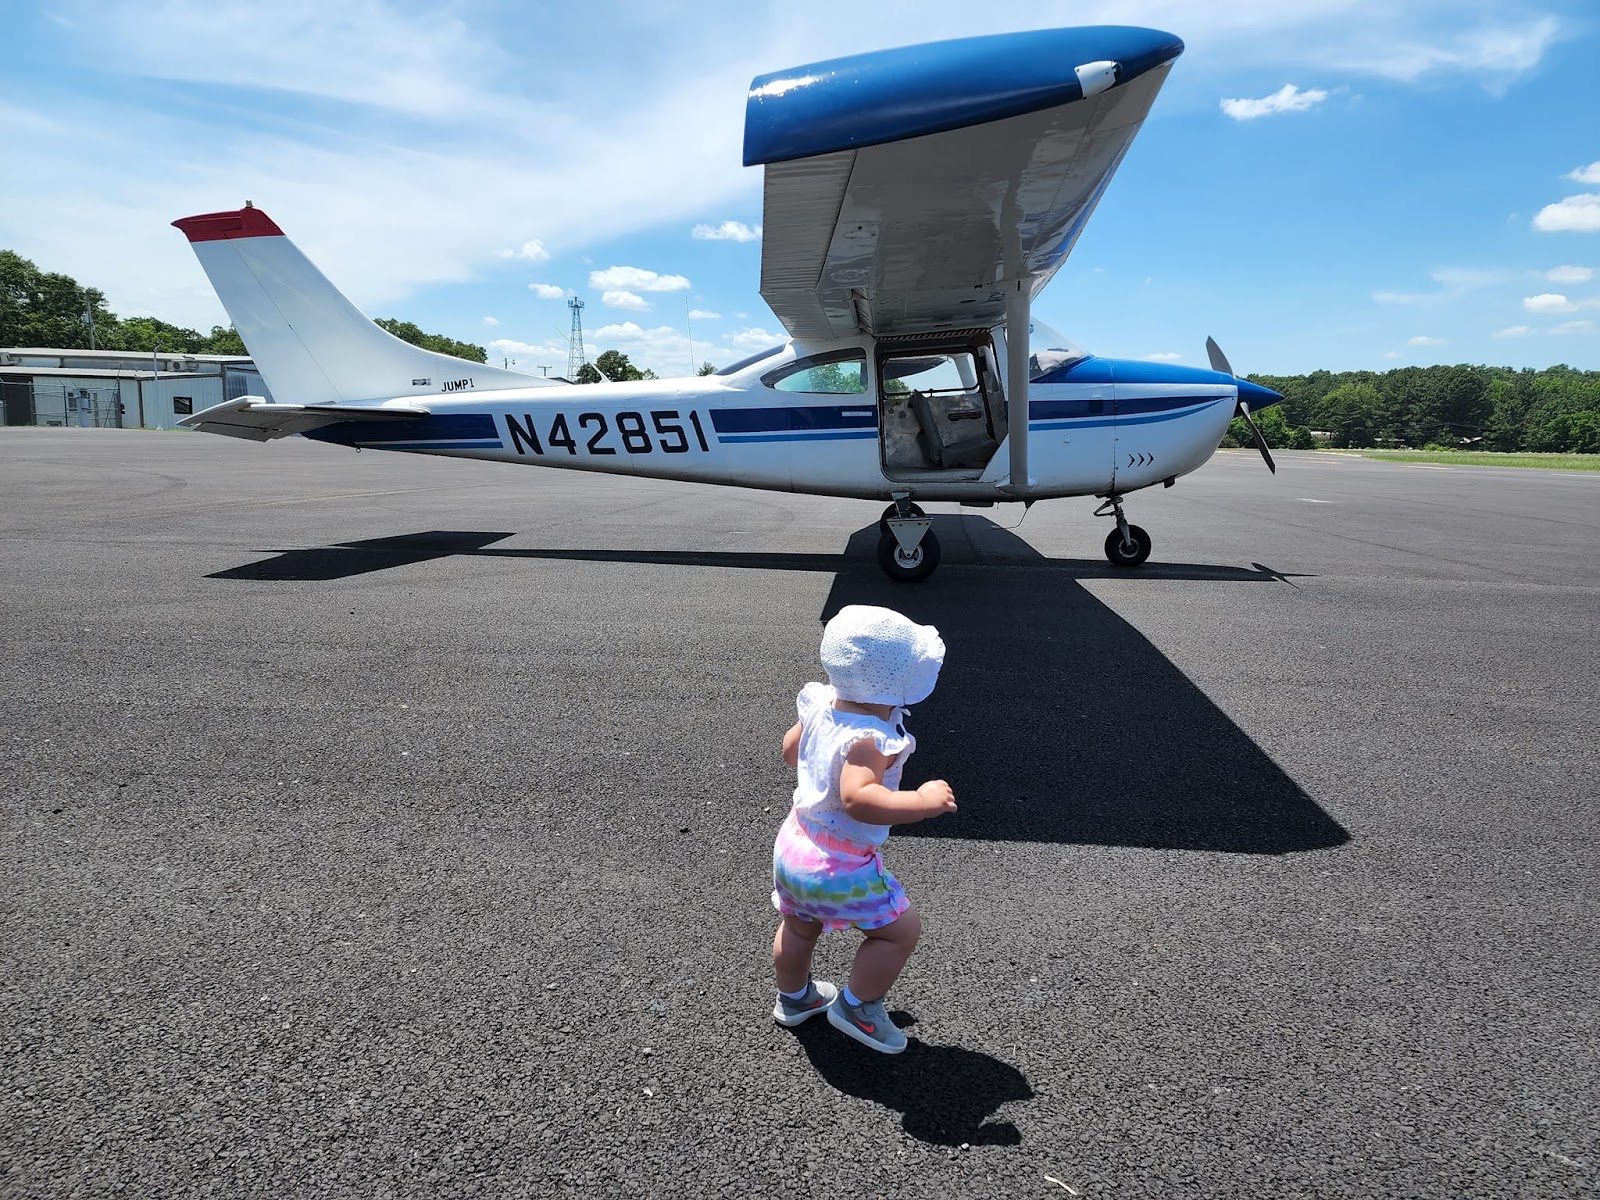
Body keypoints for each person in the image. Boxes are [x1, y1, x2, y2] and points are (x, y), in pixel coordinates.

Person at [770, 604, 956, 1054]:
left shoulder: (820, 704)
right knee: (898, 932)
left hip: (794, 846)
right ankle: (857, 1007)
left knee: (798, 927)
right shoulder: (871, 738)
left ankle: (795, 999)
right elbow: (859, 799)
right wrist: (922, 803)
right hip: (840, 864)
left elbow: (791, 751)